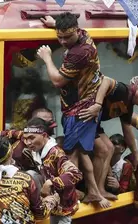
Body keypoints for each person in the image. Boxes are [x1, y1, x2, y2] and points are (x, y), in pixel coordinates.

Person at [37, 13, 107, 208]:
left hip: (79, 110)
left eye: (67, 37)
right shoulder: (84, 34)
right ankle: (92, 190)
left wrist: (47, 58)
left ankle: (71, 195)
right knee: (83, 151)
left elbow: (58, 80)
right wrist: (55, 25)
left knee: (71, 154)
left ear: (76, 31)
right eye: (60, 37)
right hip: (84, 105)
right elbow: (67, 30)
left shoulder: (79, 52)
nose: (62, 41)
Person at [22, 116, 82, 224]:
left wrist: (52, 183)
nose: (27, 142)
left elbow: (76, 174)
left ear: (44, 135)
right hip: (47, 198)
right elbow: (18, 134)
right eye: (25, 139)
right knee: (30, 174)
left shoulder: (56, 153)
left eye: (31, 138)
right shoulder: (37, 147)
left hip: (62, 208)